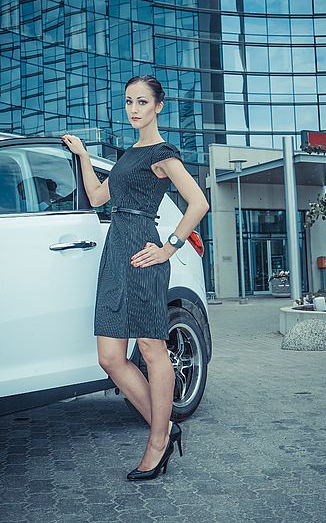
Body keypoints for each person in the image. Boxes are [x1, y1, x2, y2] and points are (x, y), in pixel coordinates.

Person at [62, 75, 209, 480]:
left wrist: (170, 247)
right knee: (110, 356)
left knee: (150, 348)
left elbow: (199, 203)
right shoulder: (128, 155)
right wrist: (83, 155)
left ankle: (157, 442)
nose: (133, 108)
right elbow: (96, 198)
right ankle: (165, 427)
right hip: (115, 252)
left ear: (158, 106)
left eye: (142, 101)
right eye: (128, 101)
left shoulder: (162, 154)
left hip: (145, 251)